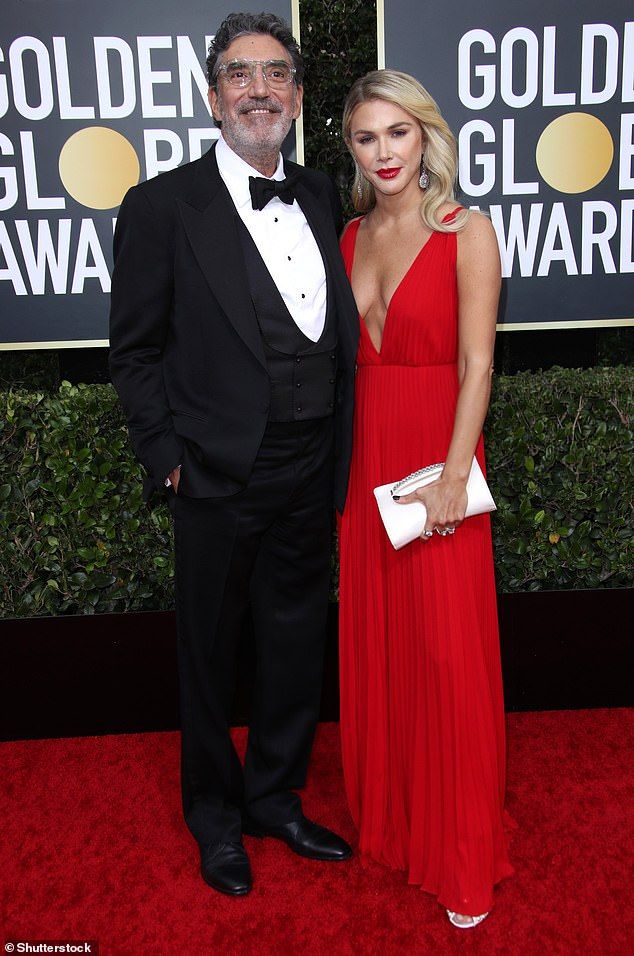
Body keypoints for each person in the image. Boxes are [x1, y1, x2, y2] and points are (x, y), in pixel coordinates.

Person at [109, 12, 359, 897]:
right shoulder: (160, 205)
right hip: (214, 474)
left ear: (296, 97)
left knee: (295, 641)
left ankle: (276, 798)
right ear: (214, 97)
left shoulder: (325, 194)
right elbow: (134, 350)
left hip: (309, 465)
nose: (260, 88)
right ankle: (214, 817)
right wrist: (167, 456)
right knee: (210, 653)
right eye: (240, 74)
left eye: (276, 74)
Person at [338, 70, 513, 928]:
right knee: (385, 647)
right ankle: (400, 827)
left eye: (398, 134)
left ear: (427, 136)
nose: (385, 153)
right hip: (365, 465)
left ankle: (461, 851)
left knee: (447, 658)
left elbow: (478, 364)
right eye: (367, 138)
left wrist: (452, 474)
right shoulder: (348, 236)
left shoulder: (466, 231)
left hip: (436, 458)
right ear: (351, 148)